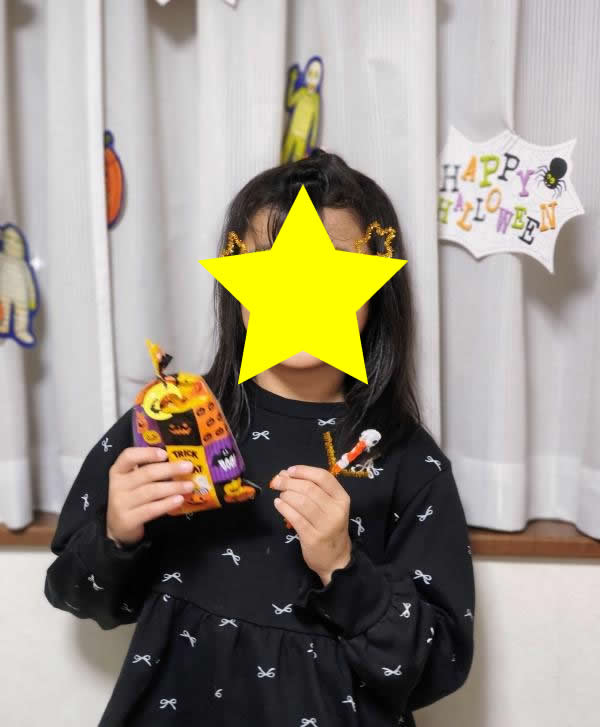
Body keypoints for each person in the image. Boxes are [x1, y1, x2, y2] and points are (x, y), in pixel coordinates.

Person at [44, 150, 475, 727]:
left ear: (376, 290)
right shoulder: (170, 419)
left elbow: (440, 667)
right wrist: (117, 534)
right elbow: (75, 595)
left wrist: (343, 567)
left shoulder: (409, 461)